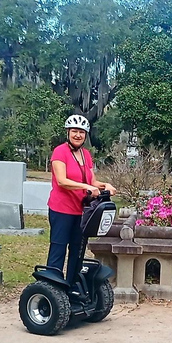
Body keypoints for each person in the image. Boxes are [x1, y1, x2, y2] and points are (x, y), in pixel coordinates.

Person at [47, 114, 116, 285]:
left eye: (81, 132)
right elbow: (62, 181)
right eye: (74, 131)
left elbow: (91, 182)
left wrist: (104, 185)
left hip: (81, 211)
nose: (78, 135)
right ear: (68, 132)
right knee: (59, 247)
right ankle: (52, 285)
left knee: (77, 249)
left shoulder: (86, 154)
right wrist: (86, 188)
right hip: (61, 209)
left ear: (86, 135)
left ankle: (71, 284)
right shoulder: (60, 152)